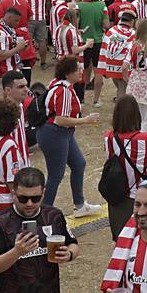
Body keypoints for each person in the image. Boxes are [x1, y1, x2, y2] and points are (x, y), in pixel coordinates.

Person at [38, 56, 103, 216]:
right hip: (56, 133)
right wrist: (85, 120)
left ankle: (79, 205)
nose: (81, 71)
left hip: (58, 133)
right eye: (77, 70)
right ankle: (44, 212)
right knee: (56, 175)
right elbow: (61, 120)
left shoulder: (57, 84)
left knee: (79, 163)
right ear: (68, 74)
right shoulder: (64, 90)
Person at [102, 93, 147, 238]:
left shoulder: (108, 137)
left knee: (121, 238)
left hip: (116, 194)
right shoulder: (145, 139)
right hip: (141, 194)